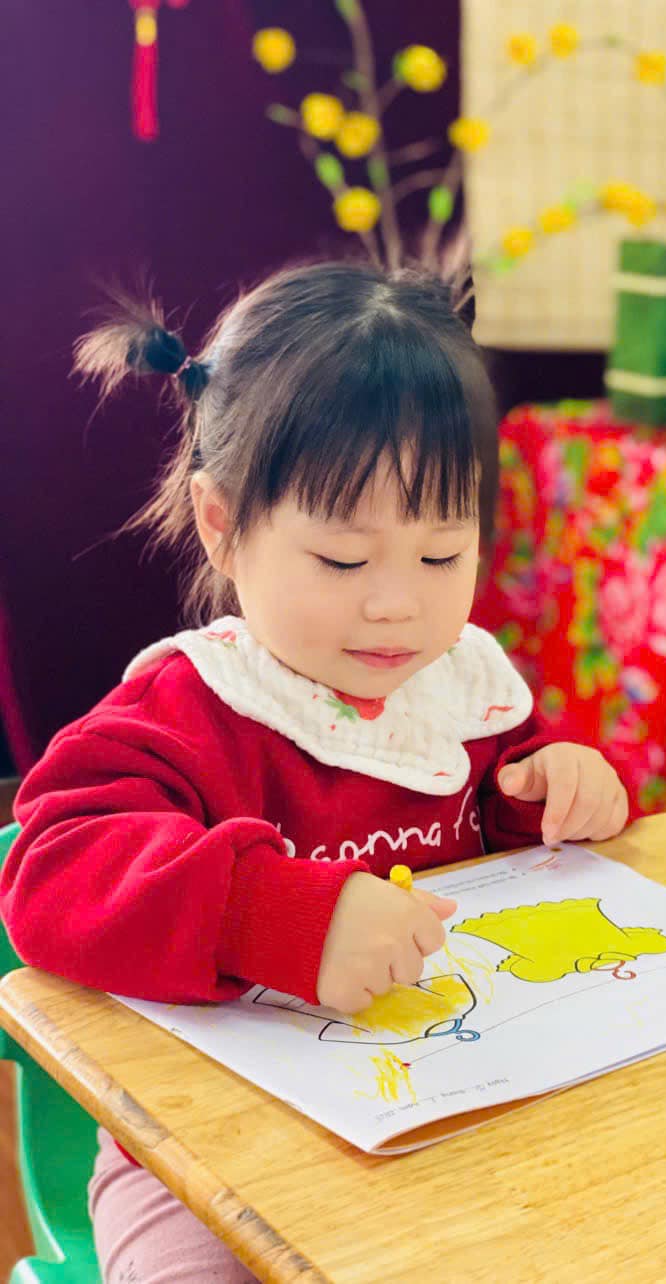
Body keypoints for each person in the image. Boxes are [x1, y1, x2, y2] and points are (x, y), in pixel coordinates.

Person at [0, 260, 631, 1282]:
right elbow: (50, 875)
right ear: (221, 524)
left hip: (442, 1115)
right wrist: (272, 918)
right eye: (343, 560)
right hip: (202, 1155)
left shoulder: (456, 687)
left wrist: (550, 787)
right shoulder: (191, 709)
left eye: (441, 555)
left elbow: (502, 799)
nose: (396, 604)